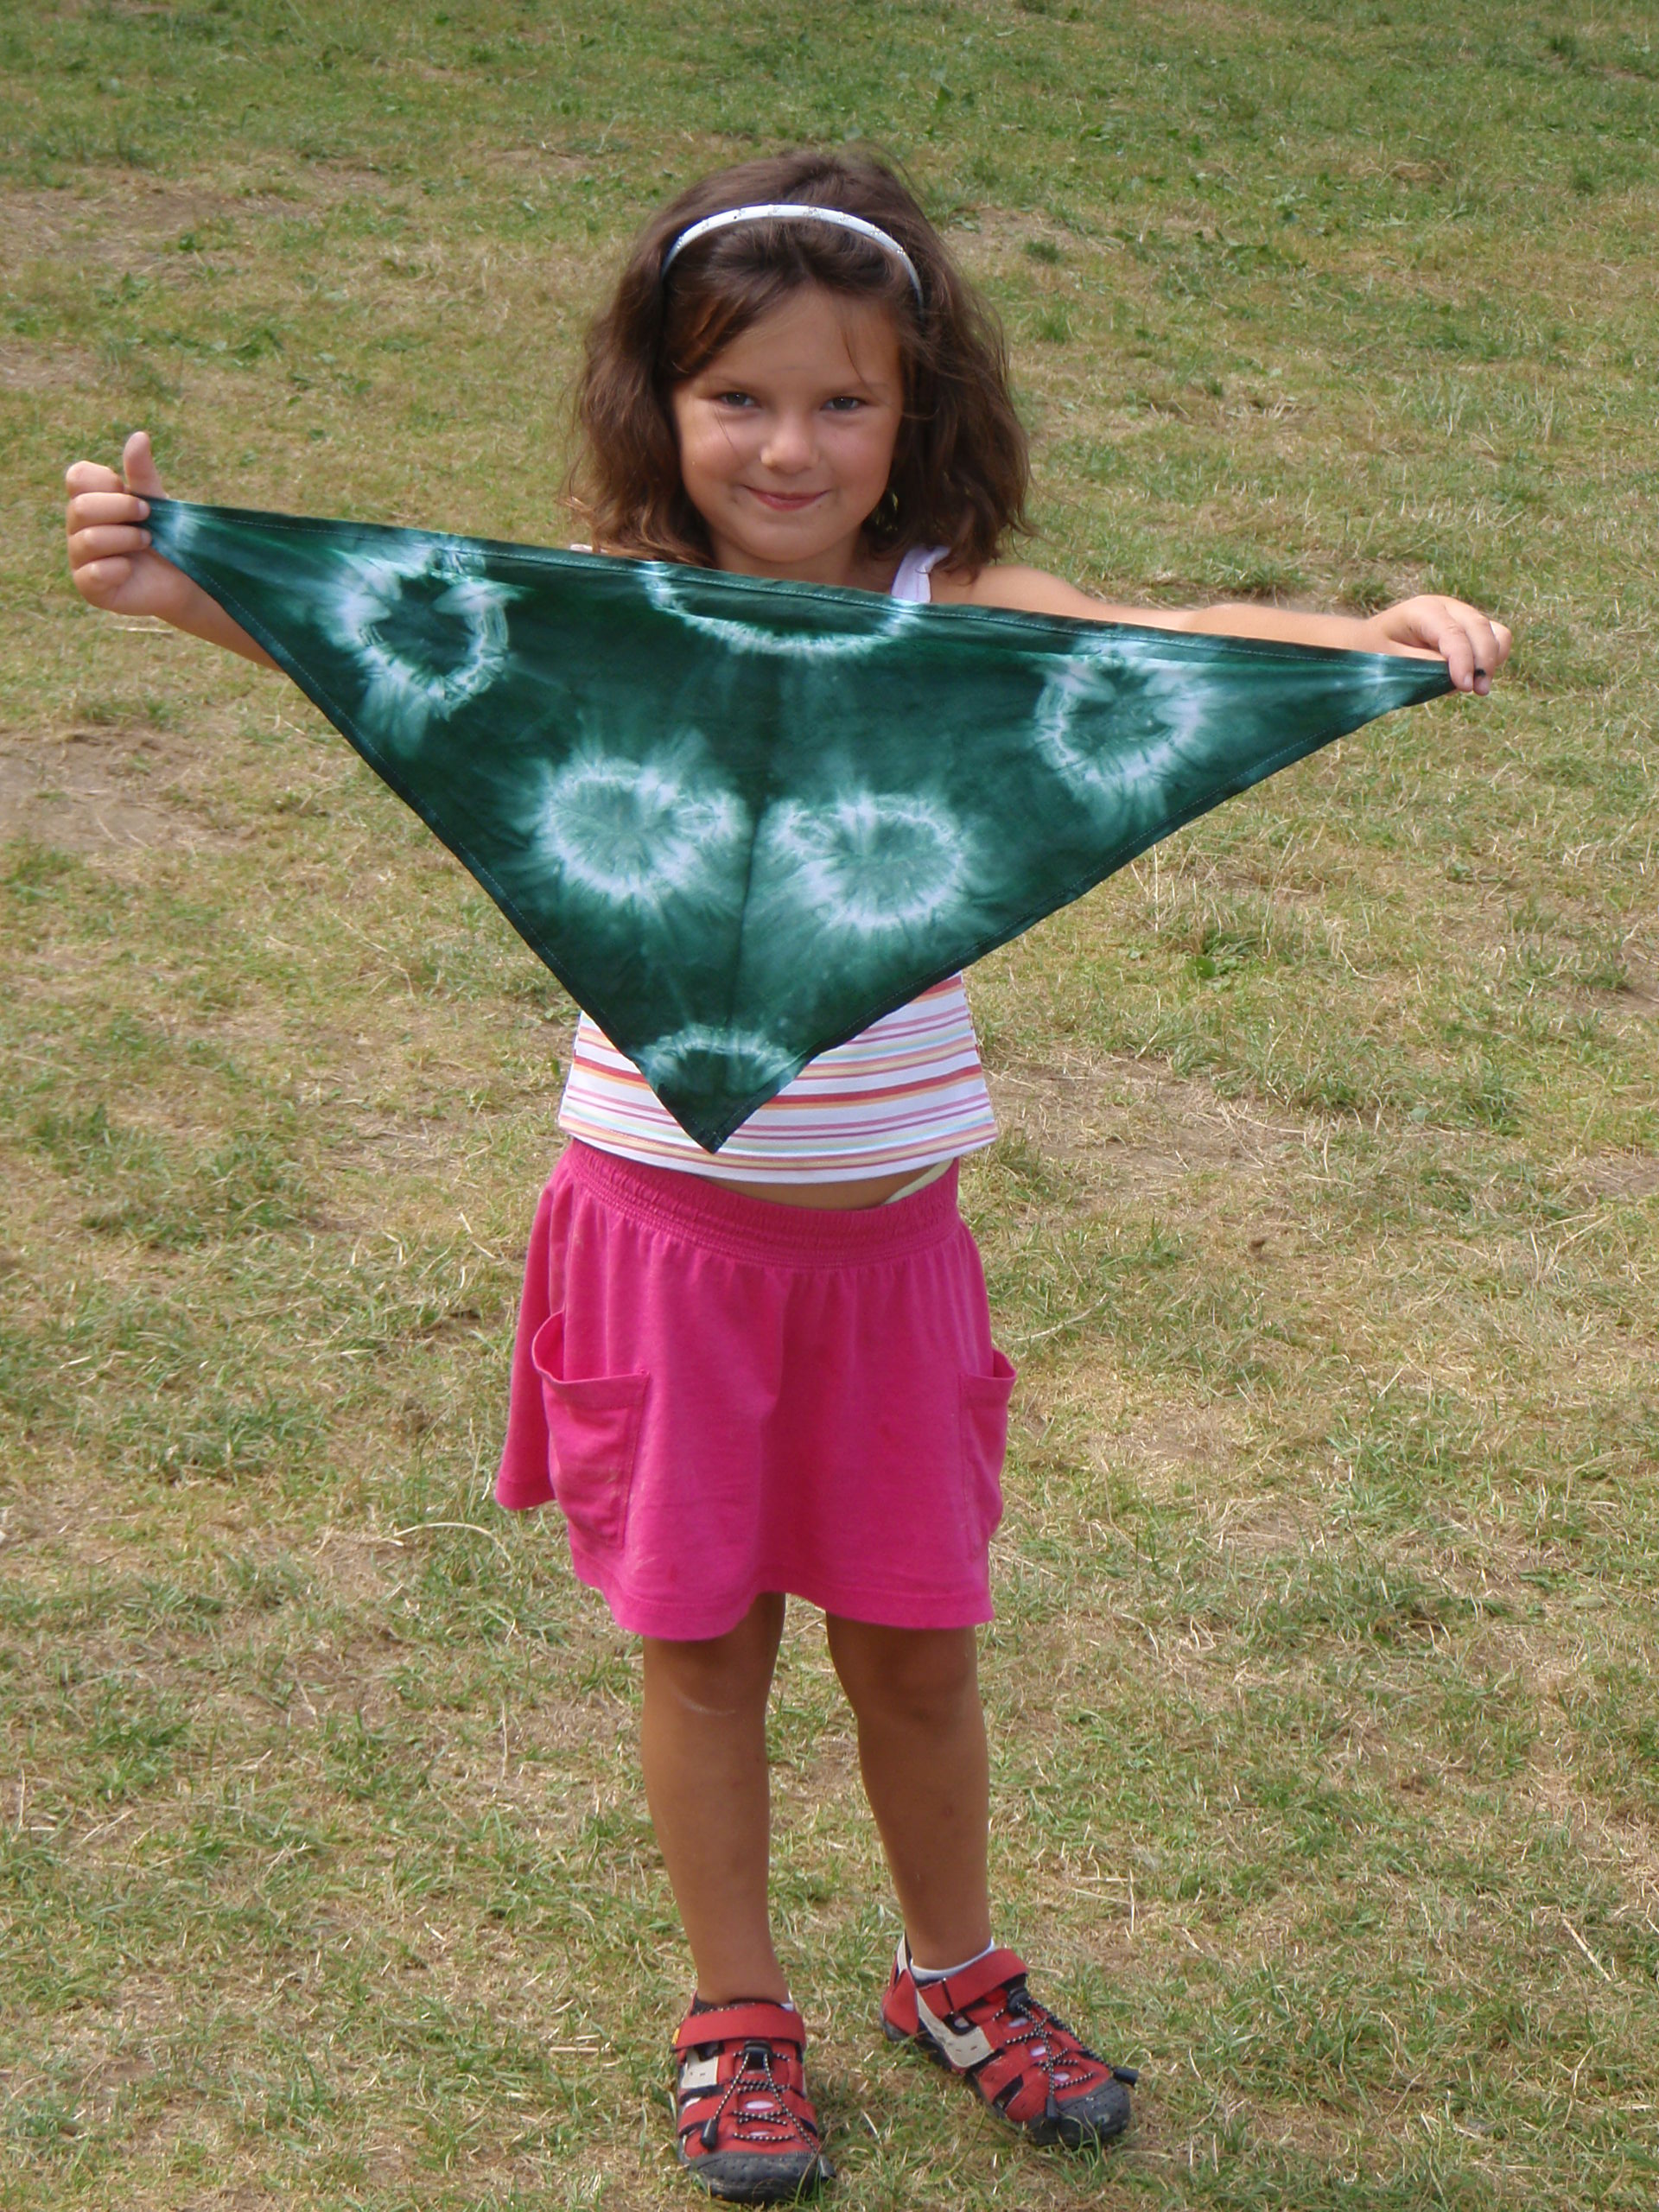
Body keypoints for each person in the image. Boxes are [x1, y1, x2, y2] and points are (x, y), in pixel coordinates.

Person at [65, 147, 1510, 2204]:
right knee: (703, 1644)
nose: (788, 444)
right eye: (736, 395)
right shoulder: (614, 614)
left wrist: (1359, 637)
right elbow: (402, 651)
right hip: (660, 1238)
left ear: (916, 412)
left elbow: (1168, 645)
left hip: (889, 1254)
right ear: (659, 401)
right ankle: (735, 2007)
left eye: (844, 399)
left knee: (917, 1642)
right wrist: (183, 579)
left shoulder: (954, 623)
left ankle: (954, 1969)